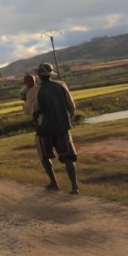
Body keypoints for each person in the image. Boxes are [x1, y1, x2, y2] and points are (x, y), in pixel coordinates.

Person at [24, 63, 80, 194]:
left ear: (38, 76)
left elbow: (28, 111)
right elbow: (72, 106)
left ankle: (54, 183)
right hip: (62, 128)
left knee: (44, 156)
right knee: (68, 157)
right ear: (51, 74)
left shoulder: (34, 91)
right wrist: (67, 120)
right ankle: (74, 187)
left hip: (44, 130)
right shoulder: (61, 85)